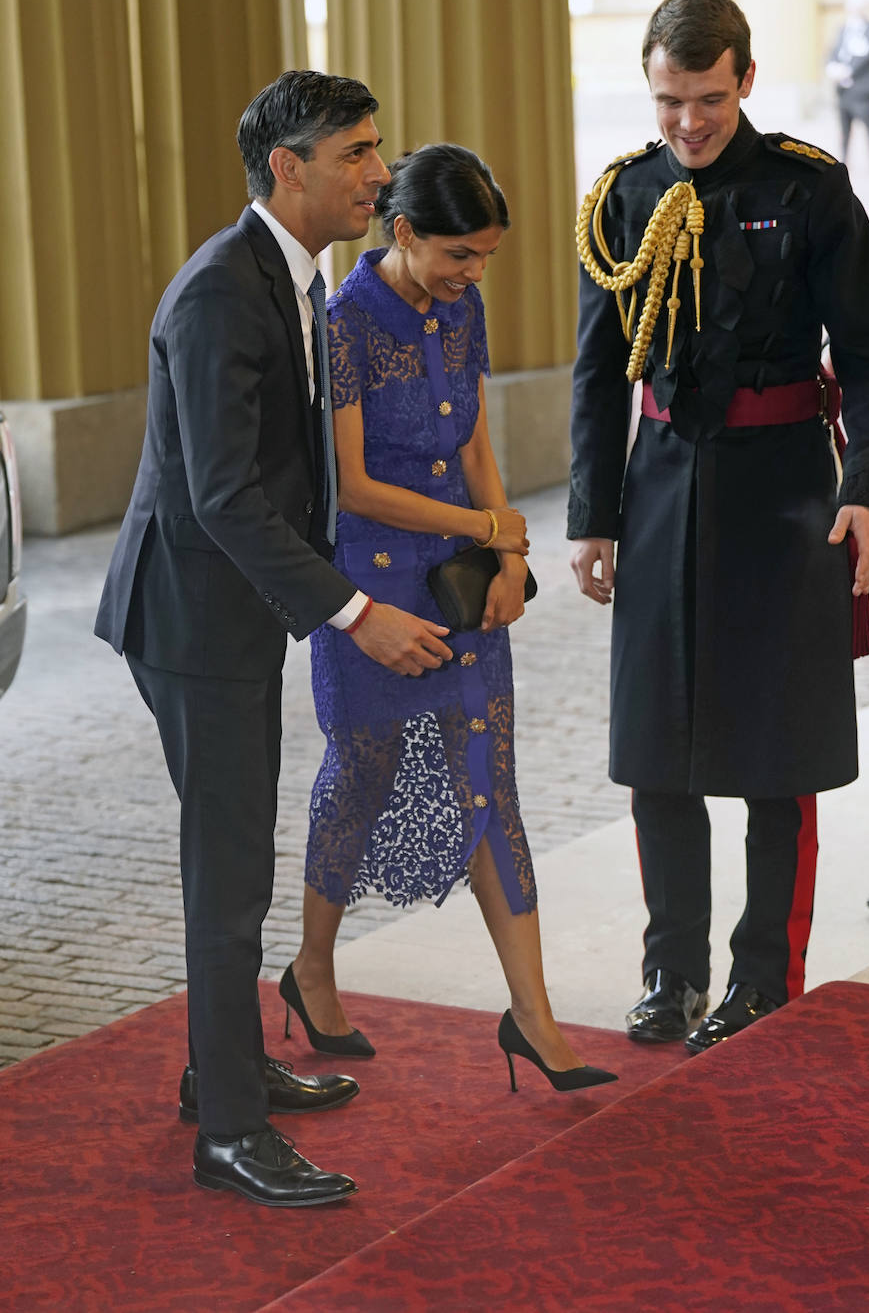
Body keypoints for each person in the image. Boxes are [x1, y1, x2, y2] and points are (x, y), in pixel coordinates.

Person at [95, 71, 457, 1207]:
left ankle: (226, 1069)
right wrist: (353, 611)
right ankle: (231, 1134)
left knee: (237, 855)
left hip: (236, 609)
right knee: (230, 868)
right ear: (286, 168)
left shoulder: (292, 276)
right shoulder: (219, 294)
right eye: (355, 152)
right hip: (193, 617)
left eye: (378, 148)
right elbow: (223, 499)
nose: (380, 173)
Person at [569, 0, 869, 1054]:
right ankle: (671, 972)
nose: (686, 123)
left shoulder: (811, 190)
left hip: (786, 493)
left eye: (705, 98)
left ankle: (762, 981)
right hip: (658, 490)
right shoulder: (622, 196)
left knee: (772, 754)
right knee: (659, 748)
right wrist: (589, 515)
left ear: (744, 79)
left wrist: (864, 489)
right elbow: (598, 373)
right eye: (667, 102)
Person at [279, 143, 618, 1095]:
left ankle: (534, 1018)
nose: (472, 276)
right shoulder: (342, 323)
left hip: (462, 581)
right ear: (403, 233)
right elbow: (350, 485)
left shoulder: (460, 306)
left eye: (484, 259)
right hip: (371, 587)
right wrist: (489, 526)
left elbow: (472, 431)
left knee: (489, 787)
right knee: (361, 775)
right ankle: (309, 970)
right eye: (457, 256)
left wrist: (506, 553)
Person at [826, 0, 869, 166]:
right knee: (845, 129)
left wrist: (848, 70)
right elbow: (834, 50)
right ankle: (844, 161)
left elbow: (867, 55)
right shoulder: (843, 28)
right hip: (843, 89)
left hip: (861, 89)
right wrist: (832, 67)